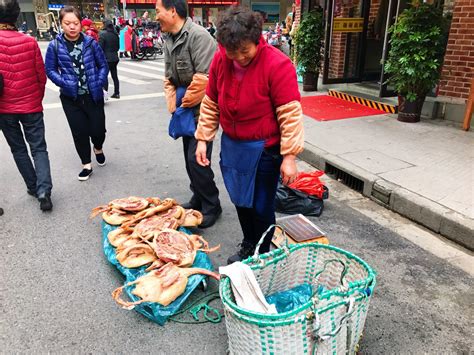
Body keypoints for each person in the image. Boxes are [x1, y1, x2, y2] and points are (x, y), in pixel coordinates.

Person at [195, 7, 304, 263]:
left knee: (261, 204)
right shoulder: (222, 60)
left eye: (245, 51)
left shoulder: (277, 64)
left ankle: (262, 253)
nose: (239, 58)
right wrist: (203, 138)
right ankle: (249, 243)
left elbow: (289, 114)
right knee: (241, 200)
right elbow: (211, 102)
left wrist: (289, 156)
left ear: (257, 40)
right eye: (233, 52)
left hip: (265, 147)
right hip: (234, 145)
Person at [156, 0, 222, 228]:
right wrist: (173, 106)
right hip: (184, 110)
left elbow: (205, 79)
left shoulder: (199, 36)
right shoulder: (169, 38)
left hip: (203, 109)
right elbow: (168, 77)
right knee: (189, 159)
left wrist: (182, 104)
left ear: (172, 11)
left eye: (158, 11)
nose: (156, 16)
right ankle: (198, 197)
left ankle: (212, 205)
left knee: (198, 161)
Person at [45, 6, 109, 181]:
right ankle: (86, 164)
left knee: (98, 130)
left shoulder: (91, 43)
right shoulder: (55, 46)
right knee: (79, 132)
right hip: (70, 98)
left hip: (93, 95)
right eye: (67, 23)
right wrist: (64, 83)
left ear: (81, 24)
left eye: (75, 23)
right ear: (61, 24)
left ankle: (98, 147)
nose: (72, 27)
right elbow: (50, 70)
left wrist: (99, 79)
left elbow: (103, 65)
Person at [0, 0, 53, 211]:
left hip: (4, 109)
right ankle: (44, 191)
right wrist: (36, 98)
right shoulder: (30, 42)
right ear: (17, 16)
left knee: (18, 149)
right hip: (31, 106)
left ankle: (33, 186)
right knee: (39, 148)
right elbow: (42, 76)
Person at [100, 20, 120, 99]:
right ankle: (117, 92)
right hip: (115, 58)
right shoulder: (115, 35)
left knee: (105, 77)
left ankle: (105, 95)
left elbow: (100, 48)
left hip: (106, 58)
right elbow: (118, 47)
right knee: (115, 76)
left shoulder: (102, 34)